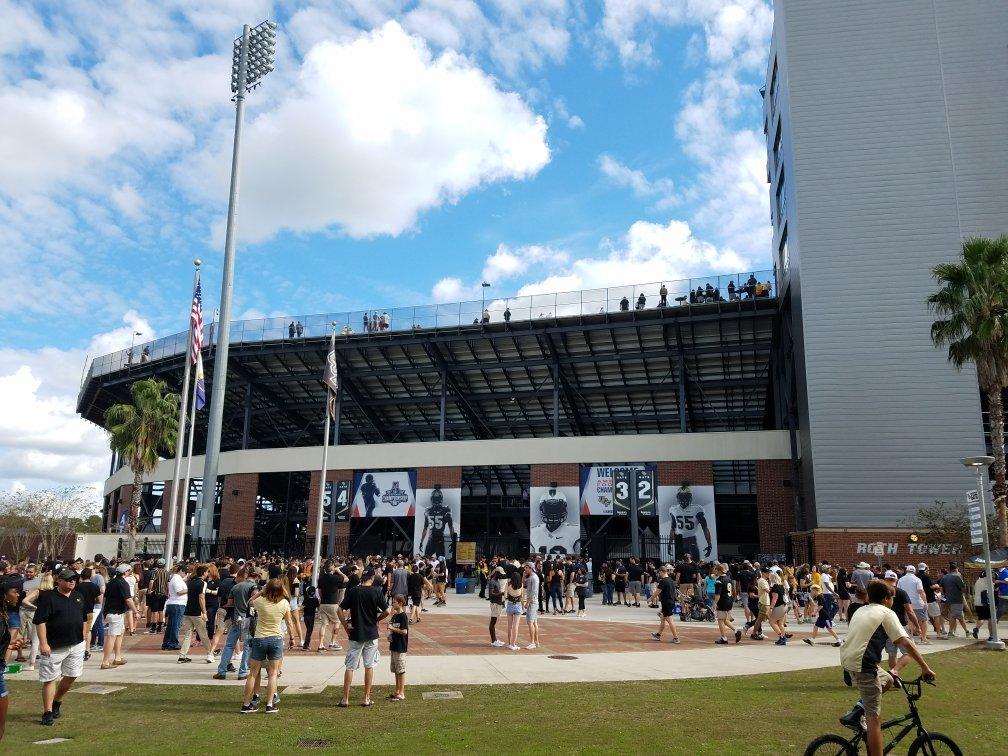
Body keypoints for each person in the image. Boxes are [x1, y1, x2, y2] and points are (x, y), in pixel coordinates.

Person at [839, 579, 935, 756]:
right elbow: (906, 642)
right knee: (874, 719)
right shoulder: (886, 613)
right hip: (863, 665)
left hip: (848, 660)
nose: (893, 601)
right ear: (885, 599)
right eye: (892, 598)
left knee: (888, 678)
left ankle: (856, 713)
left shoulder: (862, 609)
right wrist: (925, 668)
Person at [33, 569, 88, 727]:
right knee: (50, 678)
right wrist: (43, 643)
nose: (72, 581)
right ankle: (48, 711)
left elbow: (84, 617)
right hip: (54, 646)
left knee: (72, 675)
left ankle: (57, 700)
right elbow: (40, 621)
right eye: (68, 579)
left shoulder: (78, 596)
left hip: (76, 643)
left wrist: (84, 633)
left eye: (74, 579)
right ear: (60, 581)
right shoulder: (48, 598)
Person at [240, 578, 293, 714]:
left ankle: (247, 704)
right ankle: (269, 704)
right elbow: (289, 622)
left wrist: (260, 592)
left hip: (260, 638)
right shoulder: (284, 603)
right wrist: (292, 637)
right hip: (275, 638)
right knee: (273, 674)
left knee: (253, 673)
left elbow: (249, 602)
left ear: (267, 589)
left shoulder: (260, 602)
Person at [337, 568, 389, 708]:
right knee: (369, 665)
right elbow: (387, 610)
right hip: (371, 632)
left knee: (350, 666)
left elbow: (339, 609)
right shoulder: (376, 591)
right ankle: (366, 697)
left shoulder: (354, 591)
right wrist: (377, 619)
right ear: (372, 578)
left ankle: (345, 698)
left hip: (356, 632)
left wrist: (345, 626)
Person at [214, 567, 256, 681]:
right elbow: (254, 603)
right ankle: (242, 672)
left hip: (236, 617)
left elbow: (229, 603)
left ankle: (222, 670)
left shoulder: (235, 587)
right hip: (248, 618)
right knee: (247, 645)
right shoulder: (253, 587)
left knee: (229, 644)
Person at [100, 564, 140, 670]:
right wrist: (135, 611)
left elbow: (105, 596)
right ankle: (105, 661)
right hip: (116, 612)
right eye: (129, 571)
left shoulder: (111, 582)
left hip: (111, 611)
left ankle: (117, 657)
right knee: (112, 636)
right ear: (125, 572)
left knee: (120, 633)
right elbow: (128, 599)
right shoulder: (123, 583)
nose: (130, 573)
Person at [178, 564, 215, 665]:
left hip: (187, 610)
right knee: (203, 634)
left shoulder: (190, 582)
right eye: (207, 572)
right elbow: (201, 597)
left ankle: (182, 655)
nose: (208, 573)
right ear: (204, 573)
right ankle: (209, 654)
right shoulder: (202, 583)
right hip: (197, 612)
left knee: (188, 634)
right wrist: (204, 612)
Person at [317, 560, 346, 652]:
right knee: (337, 622)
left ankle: (321, 644)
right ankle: (332, 643)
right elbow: (346, 579)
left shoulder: (321, 578)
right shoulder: (335, 578)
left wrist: (321, 600)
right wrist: (339, 571)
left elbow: (319, 591)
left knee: (323, 625)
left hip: (323, 603)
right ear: (332, 568)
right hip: (333, 603)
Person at [896, 565, 929, 644]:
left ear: (906, 571)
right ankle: (923, 638)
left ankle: (911, 638)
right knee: (924, 620)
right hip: (917, 603)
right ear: (914, 571)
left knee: (909, 621)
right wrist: (925, 602)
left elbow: (898, 590)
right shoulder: (917, 579)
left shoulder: (901, 579)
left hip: (905, 603)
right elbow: (921, 591)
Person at [648, 565, 681, 644]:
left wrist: (650, 599)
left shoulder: (663, 581)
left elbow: (657, 592)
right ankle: (658, 635)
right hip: (670, 602)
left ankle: (676, 638)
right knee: (663, 618)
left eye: (659, 573)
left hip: (666, 603)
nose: (658, 574)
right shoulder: (670, 580)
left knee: (670, 620)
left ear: (662, 572)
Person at [713, 564, 742, 645]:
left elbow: (718, 594)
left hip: (722, 601)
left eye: (715, 569)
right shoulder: (728, 578)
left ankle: (724, 638)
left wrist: (714, 603)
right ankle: (736, 630)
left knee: (720, 620)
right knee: (726, 620)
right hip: (729, 600)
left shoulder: (719, 580)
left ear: (718, 570)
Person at [938, 562, 967, 639]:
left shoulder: (944, 577)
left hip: (948, 599)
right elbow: (963, 588)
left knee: (954, 615)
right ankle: (952, 632)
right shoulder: (957, 577)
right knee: (957, 616)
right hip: (957, 599)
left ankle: (962, 631)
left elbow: (941, 588)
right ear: (956, 569)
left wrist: (944, 595)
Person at [387, 594, 408, 701]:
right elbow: (391, 626)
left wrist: (392, 628)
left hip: (400, 647)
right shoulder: (395, 615)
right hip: (393, 646)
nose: (392, 604)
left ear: (400, 603)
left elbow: (404, 631)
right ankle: (397, 690)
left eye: (394, 602)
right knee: (395, 670)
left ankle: (402, 692)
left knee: (401, 670)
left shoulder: (403, 616)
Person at [504, 569, 524, 651]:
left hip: (510, 604)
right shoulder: (521, 584)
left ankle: (509, 643)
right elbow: (522, 596)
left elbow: (505, 596)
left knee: (509, 626)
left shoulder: (508, 584)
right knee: (516, 626)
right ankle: (513, 644)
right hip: (518, 604)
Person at [146, 558, 168, 634]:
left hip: (155, 593)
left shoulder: (155, 572)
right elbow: (168, 584)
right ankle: (159, 626)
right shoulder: (167, 572)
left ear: (157, 564)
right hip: (164, 593)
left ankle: (154, 627)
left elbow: (151, 582)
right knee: (161, 610)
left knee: (154, 611)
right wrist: (167, 592)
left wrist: (149, 590)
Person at [523, 563, 540, 648]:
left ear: (531, 568)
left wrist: (527, 602)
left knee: (530, 622)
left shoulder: (533, 577)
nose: (525, 569)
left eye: (526, 568)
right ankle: (536, 641)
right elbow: (524, 583)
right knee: (534, 622)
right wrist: (524, 575)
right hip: (533, 601)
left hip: (532, 602)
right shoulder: (531, 577)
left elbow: (533, 592)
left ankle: (533, 642)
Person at [487, 566, 505, 647]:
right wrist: (501, 594)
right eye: (500, 574)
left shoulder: (497, 581)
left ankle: (495, 639)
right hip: (494, 604)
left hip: (497, 603)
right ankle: (493, 640)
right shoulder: (492, 582)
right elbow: (491, 595)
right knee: (493, 622)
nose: (502, 576)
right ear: (497, 573)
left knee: (494, 621)